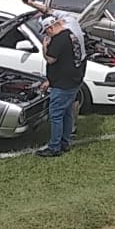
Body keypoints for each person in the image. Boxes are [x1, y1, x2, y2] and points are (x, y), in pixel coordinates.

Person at [36, 15, 85, 157]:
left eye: (46, 32)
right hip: (73, 81)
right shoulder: (70, 34)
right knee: (67, 113)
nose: (46, 35)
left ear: (50, 28)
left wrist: (44, 47)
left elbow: (51, 59)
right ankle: (65, 142)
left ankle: (54, 147)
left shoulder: (58, 40)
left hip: (63, 84)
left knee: (56, 115)